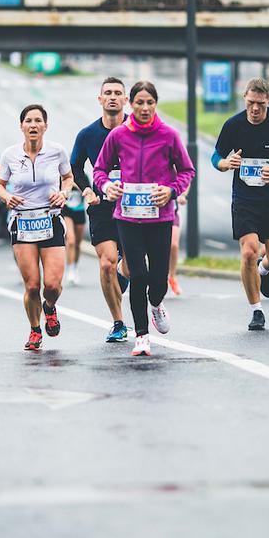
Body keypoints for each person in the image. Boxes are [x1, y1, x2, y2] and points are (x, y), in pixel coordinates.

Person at [93, 81, 196, 357]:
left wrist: (171, 190)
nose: (145, 108)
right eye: (139, 102)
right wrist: (106, 187)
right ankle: (141, 336)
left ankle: (156, 303)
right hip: (127, 218)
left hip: (160, 218)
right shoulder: (118, 136)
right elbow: (100, 170)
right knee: (137, 274)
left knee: (158, 280)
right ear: (131, 105)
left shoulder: (168, 135)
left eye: (150, 102)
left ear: (156, 104)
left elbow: (187, 170)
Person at [213, 77, 269, 330]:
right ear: (245, 99)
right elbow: (216, 156)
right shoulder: (234, 125)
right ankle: (256, 310)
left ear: (268, 101)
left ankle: (263, 271)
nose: (255, 109)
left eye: (260, 104)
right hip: (245, 199)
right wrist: (226, 164)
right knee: (249, 250)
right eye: (251, 103)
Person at [0, 104, 74, 352]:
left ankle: (49, 307)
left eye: (38, 120)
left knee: (52, 285)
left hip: (50, 220)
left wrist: (64, 193)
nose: (33, 125)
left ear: (45, 126)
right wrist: (6, 197)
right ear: (21, 126)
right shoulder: (10, 155)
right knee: (32, 285)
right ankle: (35, 330)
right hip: (23, 222)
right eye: (28, 120)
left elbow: (69, 178)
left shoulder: (57, 152)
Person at [71, 77, 131, 343]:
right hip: (102, 207)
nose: (113, 97)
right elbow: (75, 167)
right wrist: (87, 190)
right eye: (108, 93)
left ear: (126, 100)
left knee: (131, 267)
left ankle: (123, 275)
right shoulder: (87, 135)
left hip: (134, 207)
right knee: (107, 264)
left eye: (118, 93)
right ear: (100, 99)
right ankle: (118, 323)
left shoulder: (137, 129)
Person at [61, 186, 87, 285]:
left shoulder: (82, 176)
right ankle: (70, 268)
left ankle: (75, 266)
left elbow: (87, 191)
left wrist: (77, 184)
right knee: (71, 241)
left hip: (79, 211)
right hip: (67, 211)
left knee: (77, 244)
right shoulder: (64, 177)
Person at [167, 190, 187, 297]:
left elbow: (187, 176)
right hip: (152, 213)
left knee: (174, 245)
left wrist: (182, 194)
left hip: (172, 211)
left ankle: (172, 277)